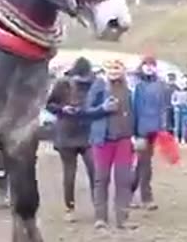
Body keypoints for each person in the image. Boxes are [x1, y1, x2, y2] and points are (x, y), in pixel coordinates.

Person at [85, 59, 137, 230]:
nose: (114, 71)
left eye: (118, 68)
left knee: (123, 179)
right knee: (102, 178)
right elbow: (87, 110)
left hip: (124, 139)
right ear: (105, 70)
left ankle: (123, 218)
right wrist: (103, 108)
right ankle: (100, 217)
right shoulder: (99, 86)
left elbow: (133, 112)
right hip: (103, 139)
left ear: (123, 70)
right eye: (111, 68)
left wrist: (136, 135)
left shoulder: (128, 89)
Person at [45, 56, 95, 222]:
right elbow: (49, 104)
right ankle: (69, 207)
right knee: (70, 172)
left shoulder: (95, 83)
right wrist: (62, 109)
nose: (81, 80)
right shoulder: (62, 84)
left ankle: (98, 205)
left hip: (88, 133)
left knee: (94, 169)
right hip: (66, 133)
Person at [131, 57, 167, 211]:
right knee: (145, 164)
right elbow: (134, 108)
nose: (150, 68)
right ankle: (146, 197)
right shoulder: (137, 86)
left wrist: (162, 126)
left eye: (152, 65)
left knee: (142, 164)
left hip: (154, 129)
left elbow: (163, 107)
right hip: (141, 129)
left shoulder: (159, 85)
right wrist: (134, 132)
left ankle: (128, 193)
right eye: (147, 65)